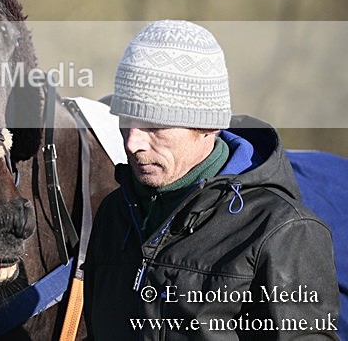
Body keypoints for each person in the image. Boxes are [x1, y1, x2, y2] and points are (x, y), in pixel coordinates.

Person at [83, 19, 339, 339]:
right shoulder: (114, 213)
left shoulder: (283, 230)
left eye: (154, 126)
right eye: (125, 120)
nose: (133, 142)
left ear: (208, 125)